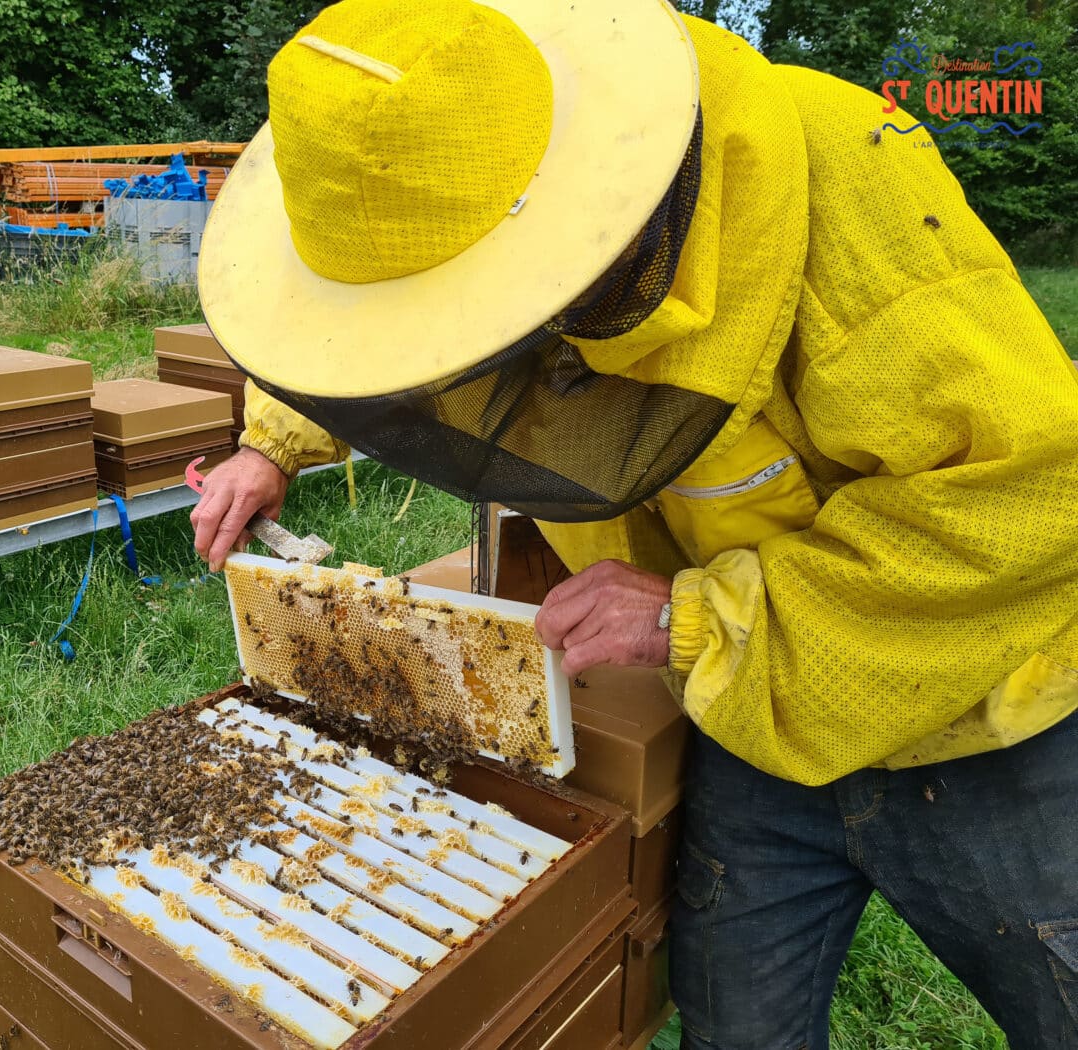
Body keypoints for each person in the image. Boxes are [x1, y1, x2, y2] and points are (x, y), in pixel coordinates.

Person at [188, 0, 1078, 1045]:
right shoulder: (487, 168)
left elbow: (1029, 492)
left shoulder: (846, 184)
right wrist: (275, 438)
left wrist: (692, 620)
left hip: (984, 716)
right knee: (736, 1028)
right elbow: (396, 319)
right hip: (744, 709)